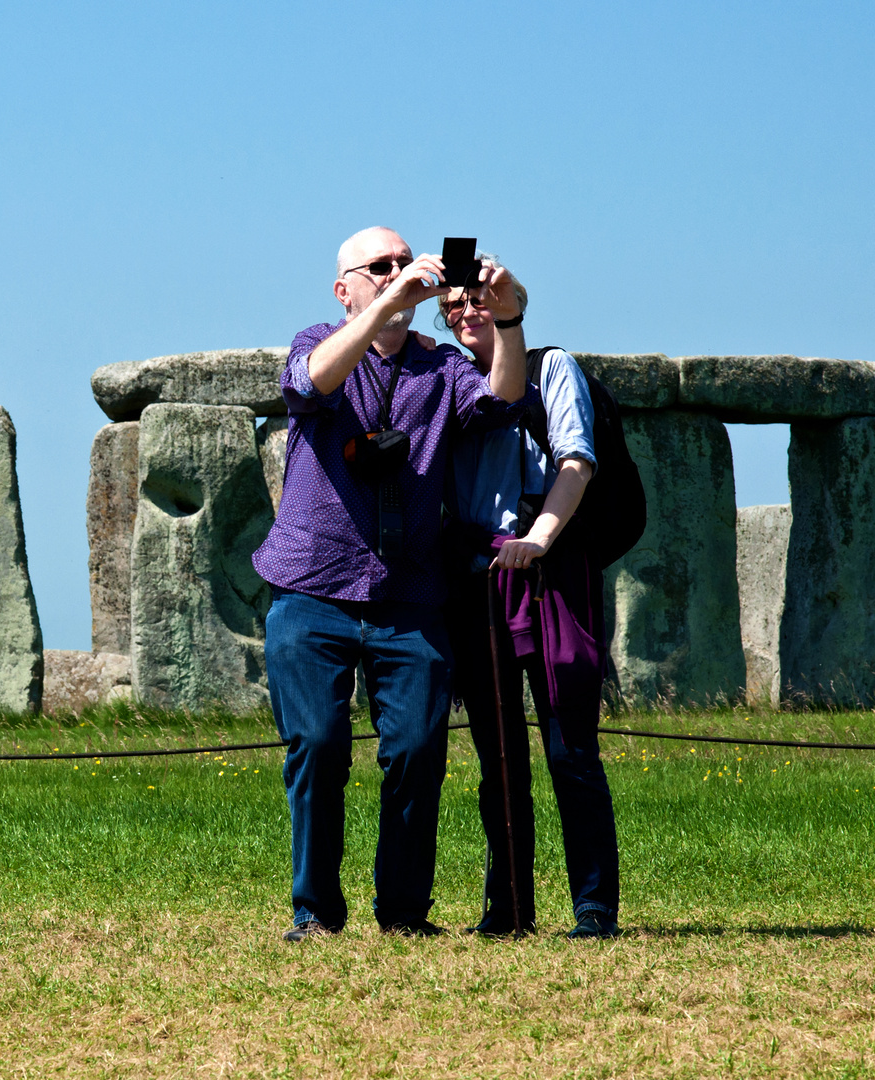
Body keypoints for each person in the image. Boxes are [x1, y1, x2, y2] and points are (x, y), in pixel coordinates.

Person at [252, 226, 531, 940]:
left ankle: (404, 912)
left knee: (416, 750)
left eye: (407, 264)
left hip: (409, 596)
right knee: (316, 743)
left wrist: (507, 318)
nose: (399, 273)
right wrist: (382, 312)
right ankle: (314, 912)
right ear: (344, 288)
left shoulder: (440, 368)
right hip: (311, 588)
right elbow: (312, 382)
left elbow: (501, 401)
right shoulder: (317, 341)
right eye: (380, 267)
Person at [441, 266, 621, 939]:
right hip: (479, 574)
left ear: (511, 302)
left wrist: (541, 536)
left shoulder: (553, 368)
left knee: (570, 749)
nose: (467, 311)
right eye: (455, 303)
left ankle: (595, 910)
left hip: (550, 573)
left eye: (481, 299)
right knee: (499, 758)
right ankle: (509, 908)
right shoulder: (449, 380)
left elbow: (576, 458)